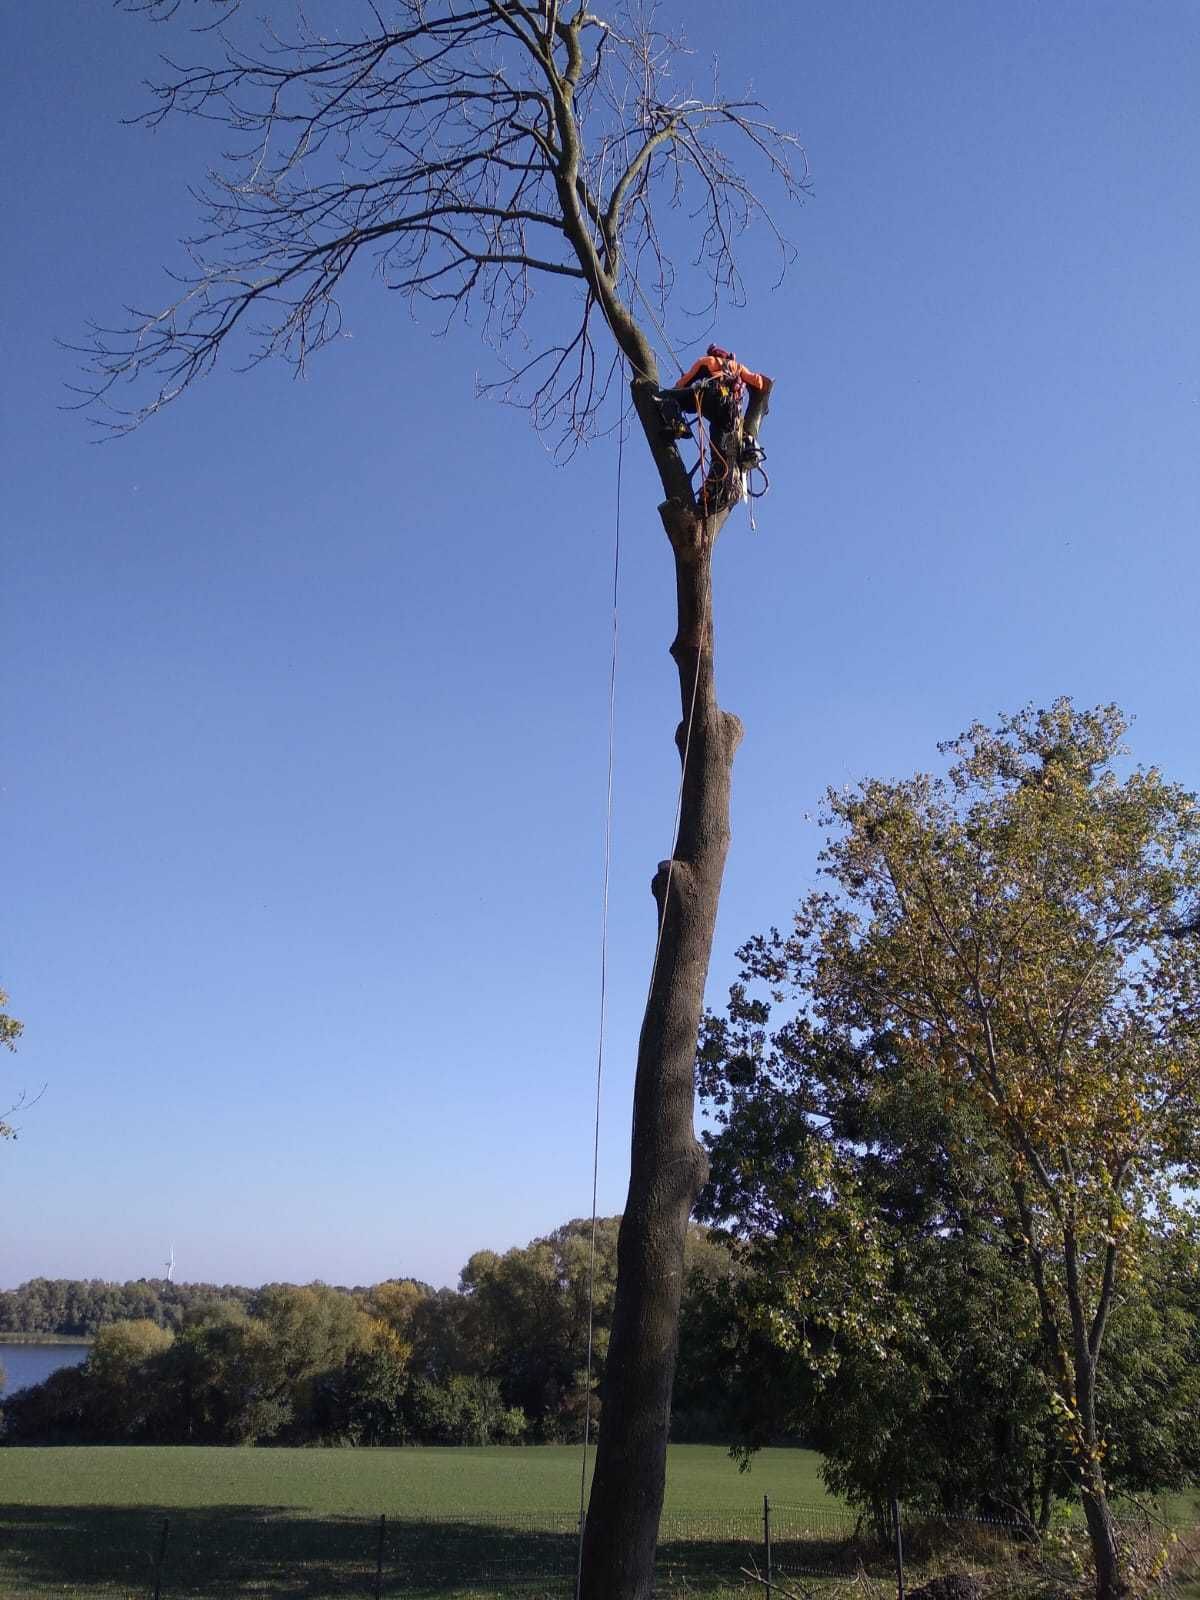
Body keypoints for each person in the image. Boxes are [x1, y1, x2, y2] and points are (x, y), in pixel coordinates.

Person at [655, 345, 771, 508]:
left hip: (710, 398)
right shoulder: (738, 367)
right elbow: (759, 382)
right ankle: (712, 491)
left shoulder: (707, 361)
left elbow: (683, 383)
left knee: (666, 397)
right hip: (729, 415)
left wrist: (679, 389)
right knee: (719, 456)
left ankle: (677, 424)